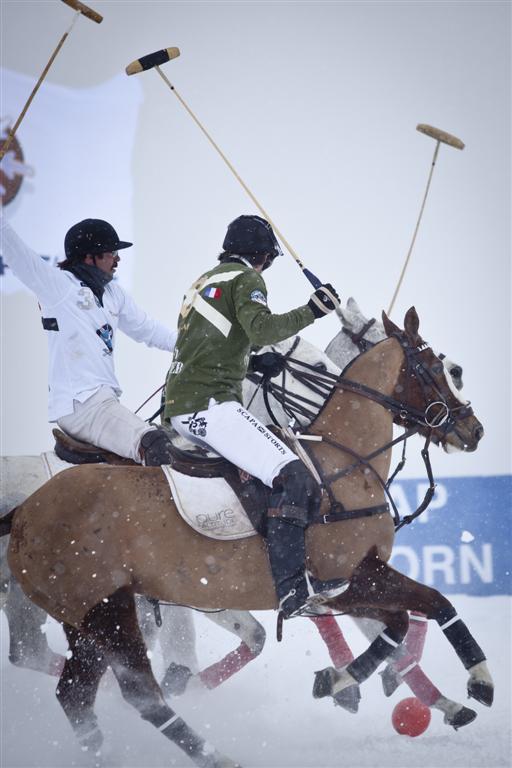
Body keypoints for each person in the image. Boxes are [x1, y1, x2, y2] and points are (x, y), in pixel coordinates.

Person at [164, 214, 340, 618]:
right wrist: (313, 310)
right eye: (269, 261)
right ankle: (293, 590)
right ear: (263, 257)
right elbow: (262, 330)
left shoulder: (205, 281)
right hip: (210, 407)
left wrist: (249, 365)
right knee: (294, 476)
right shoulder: (248, 280)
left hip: (181, 405)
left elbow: (215, 344)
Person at [0, 215, 176, 464]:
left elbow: (147, 329)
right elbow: (18, 256)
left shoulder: (114, 293)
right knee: (155, 446)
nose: (118, 259)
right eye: (111, 253)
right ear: (88, 257)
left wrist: (192, 346)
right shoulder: (60, 287)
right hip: (81, 406)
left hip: (104, 401)